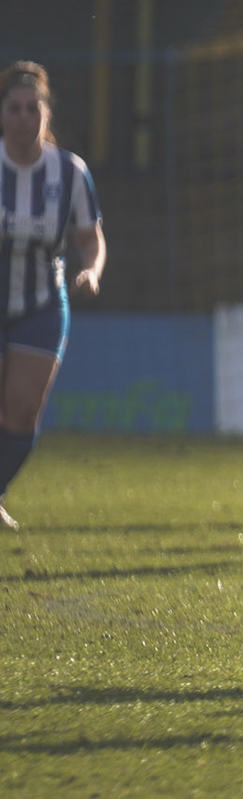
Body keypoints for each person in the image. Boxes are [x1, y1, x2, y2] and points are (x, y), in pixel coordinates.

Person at [0, 63, 104, 531]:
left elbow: (90, 239)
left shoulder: (70, 171)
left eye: (33, 108)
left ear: (46, 114)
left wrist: (92, 270)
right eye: (14, 108)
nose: (24, 118)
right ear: (2, 114)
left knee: (22, 411)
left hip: (42, 303)